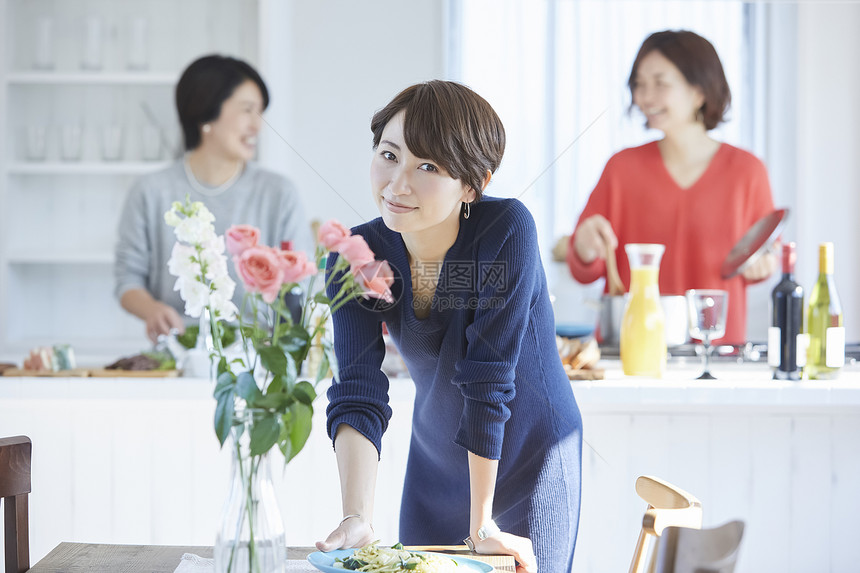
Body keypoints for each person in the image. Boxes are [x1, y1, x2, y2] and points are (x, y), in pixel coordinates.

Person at [315, 81, 582, 572]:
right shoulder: (359, 256)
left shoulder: (503, 231)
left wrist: (482, 523)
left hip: (530, 456)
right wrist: (356, 515)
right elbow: (358, 390)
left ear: (472, 184)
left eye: (428, 167)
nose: (397, 184)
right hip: (436, 461)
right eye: (389, 155)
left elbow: (487, 377)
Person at [567, 30, 777, 345]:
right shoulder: (621, 168)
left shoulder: (747, 171)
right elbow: (585, 268)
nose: (643, 96)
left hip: (714, 357)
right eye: (639, 83)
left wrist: (764, 263)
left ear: (700, 91)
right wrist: (583, 245)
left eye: (660, 83)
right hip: (631, 354)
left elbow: (765, 255)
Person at [114, 55, 312, 342]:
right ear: (206, 112)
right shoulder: (150, 191)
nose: (257, 126)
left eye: (260, 113)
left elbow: (300, 285)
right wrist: (152, 309)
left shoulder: (279, 193)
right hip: (179, 352)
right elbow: (127, 280)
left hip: (262, 361)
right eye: (248, 111)